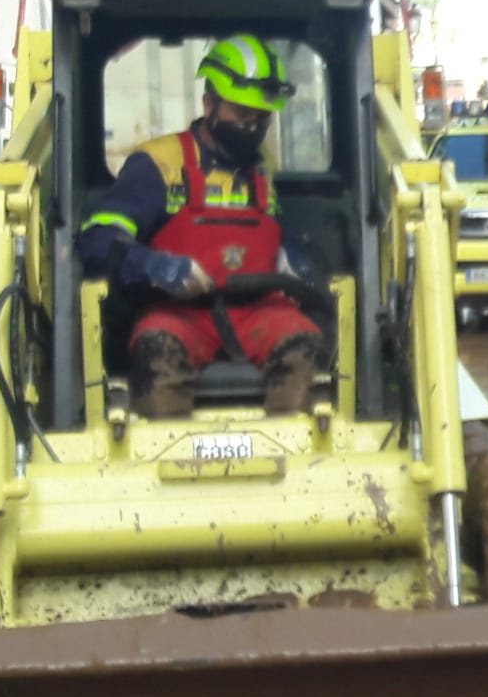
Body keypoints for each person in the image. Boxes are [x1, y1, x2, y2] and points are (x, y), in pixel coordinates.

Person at [77, 34, 324, 418]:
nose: (251, 126)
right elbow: (96, 239)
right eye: (242, 114)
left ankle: (292, 464)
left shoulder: (261, 169)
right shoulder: (159, 163)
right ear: (209, 104)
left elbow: (273, 227)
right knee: (157, 348)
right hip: (179, 312)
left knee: (303, 343)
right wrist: (154, 267)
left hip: (257, 310)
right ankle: (165, 460)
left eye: (261, 118)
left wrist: (291, 252)